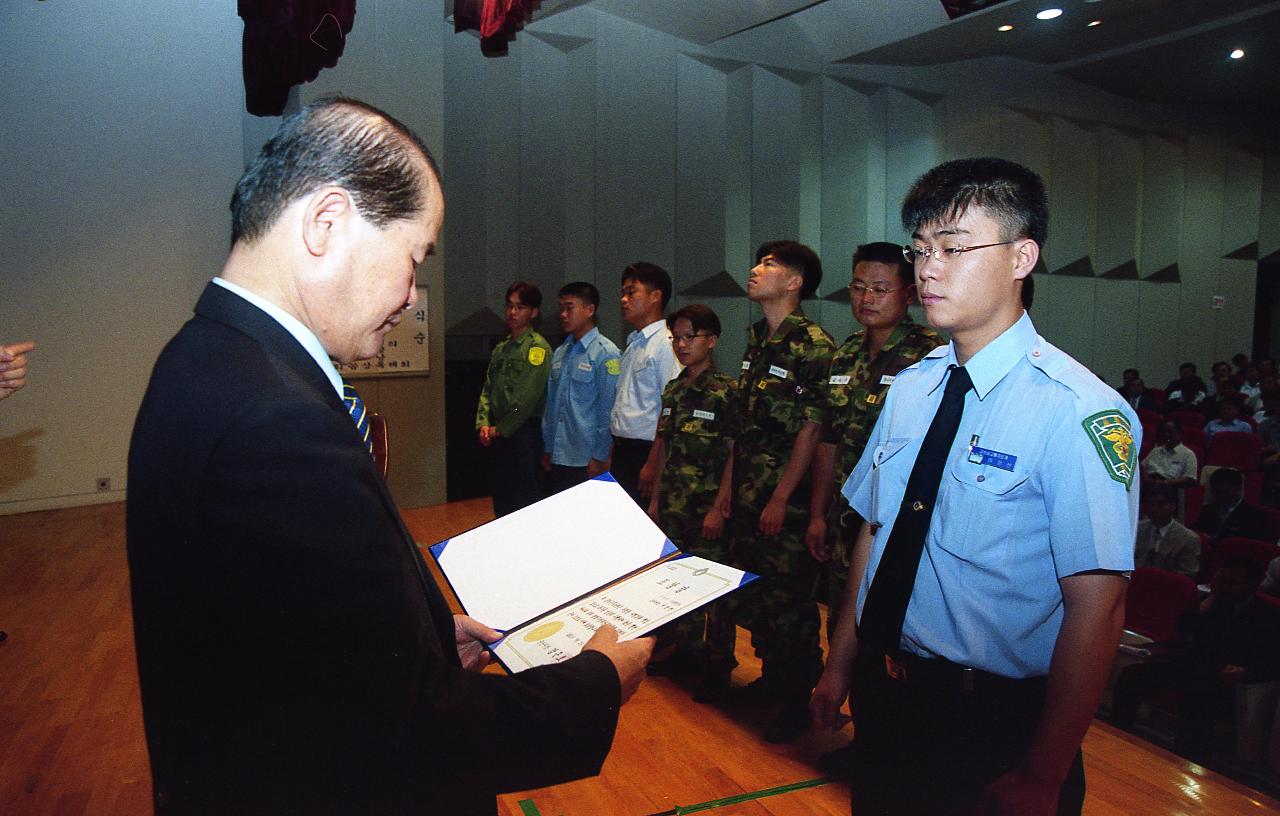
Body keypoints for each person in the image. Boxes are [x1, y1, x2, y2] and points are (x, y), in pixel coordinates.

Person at [127, 98, 652, 815]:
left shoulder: (207, 355)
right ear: (326, 223)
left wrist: (428, 637)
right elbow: (405, 735)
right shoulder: (278, 420)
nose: (411, 295)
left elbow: (296, 635)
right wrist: (596, 680)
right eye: (413, 259)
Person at [811, 157, 1138, 816]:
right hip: (889, 698)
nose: (927, 268)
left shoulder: (1076, 411)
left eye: (954, 249)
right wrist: (841, 662)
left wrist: (1042, 773)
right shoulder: (911, 388)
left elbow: (1097, 608)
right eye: (921, 249)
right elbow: (877, 536)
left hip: (989, 720)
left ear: (1022, 257)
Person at [723, 240, 834, 744]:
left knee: (790, 602)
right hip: (750, 494)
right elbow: (742, 428)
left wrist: (781, 497)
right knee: (760, 597)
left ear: (794, 283)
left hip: (782, 502)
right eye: (759, 260)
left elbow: (813, 429)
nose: (755, 269)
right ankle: (771, 680)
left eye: (768, 265)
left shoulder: (813, 345)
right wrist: (730, 493)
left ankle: (797, 698)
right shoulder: (756, 340)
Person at [808, 241, 942, 640]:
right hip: (843, 518)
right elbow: (827, 441)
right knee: (839, 624)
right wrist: (817, 514)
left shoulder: (930, 356)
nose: (866, 298)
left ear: (909, 295)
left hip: (893, 522)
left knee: (886, 630)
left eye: (880, 289)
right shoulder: (845, 353)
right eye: (858, 286)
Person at [644, 304, 737, 700]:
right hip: (675, 506)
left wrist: (720, 506)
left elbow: (735, 452)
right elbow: (666, 448)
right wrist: (655, 501)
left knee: (715, 589)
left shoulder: (726, 391)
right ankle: (684, 650)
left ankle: (718, 666)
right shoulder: (675, 390)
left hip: (707, 508)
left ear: (711, 341)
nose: (681, 345)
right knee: (677, 582)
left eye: (689, 337)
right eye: (676, 338)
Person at [1111, 557, 1280, 762]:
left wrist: (1245, 671)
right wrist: (1210, 600)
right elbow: (1183, 629)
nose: (1227, 587)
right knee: (1133, 675)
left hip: (1227, 678)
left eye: (1234, 583)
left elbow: (1272, 662)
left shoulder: (1267, 616)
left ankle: (1183, 761)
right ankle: (1117, 735)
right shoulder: (1215, 603)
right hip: (1192, 665)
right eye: (1223, 581)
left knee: (1199, 697)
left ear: (1251, 585)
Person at [476, 281, 553, 516]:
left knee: (524, 501)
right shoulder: (502, 348)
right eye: (509, 306)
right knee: (502, 497)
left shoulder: (537, 348)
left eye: (520, 307)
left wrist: (501, 428)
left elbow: (526, 398)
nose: (512, 312)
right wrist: (484, 423)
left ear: (534, 312)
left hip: (523, 434)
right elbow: (488, 389)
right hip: (499, 432)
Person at [541, 282, 621, 496]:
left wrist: (600, 456)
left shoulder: (606, 353)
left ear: (589, 310)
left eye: (570, 308)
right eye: (561, 308)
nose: (563, 315)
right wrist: (548, 447)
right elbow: (551, 406)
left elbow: (608, 409)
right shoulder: (560, 352)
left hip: (586, 458)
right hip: (559, 454)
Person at [611, 262, 681, 504]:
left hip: (647, 452)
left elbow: (671, 408)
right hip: (623, 450)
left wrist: (653, 464)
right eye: (622, 293)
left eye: (631, 292)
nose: (623, 299)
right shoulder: (634, 344)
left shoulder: (665, 343)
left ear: (655, 296)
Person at [1134, 485, 1201, 577]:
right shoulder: (1137, 530)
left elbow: (1185, 577)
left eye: (1160, 504)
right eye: (1150, 504)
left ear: (1173, 506)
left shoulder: (1189, 539)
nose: (1154, 509)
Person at [1194, 467, 1272, 542]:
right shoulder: (1208, 510)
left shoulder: (1254, 515)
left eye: (1225, 492)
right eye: (1216, 492)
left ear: (1239, 489)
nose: (1220, 496)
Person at [1141, 421, 1198, 489]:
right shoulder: (1155, 451)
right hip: (1149, 487)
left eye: (1170, 432)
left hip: (1171, 490)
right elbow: (1142, 468)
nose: (1166, 435)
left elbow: (1190, 479)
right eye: (1164, 432)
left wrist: (1165, 483)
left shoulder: (1188, 454)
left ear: (1179, 434)